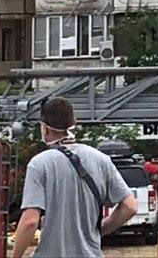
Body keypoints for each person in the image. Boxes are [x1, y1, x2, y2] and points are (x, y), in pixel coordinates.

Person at [10, 97, 137, 258]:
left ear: (45, 129)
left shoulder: (39, 164)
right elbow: (130, 206)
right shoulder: (101, 160)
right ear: (74, 124)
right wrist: (98, 231)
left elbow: (30, 222)